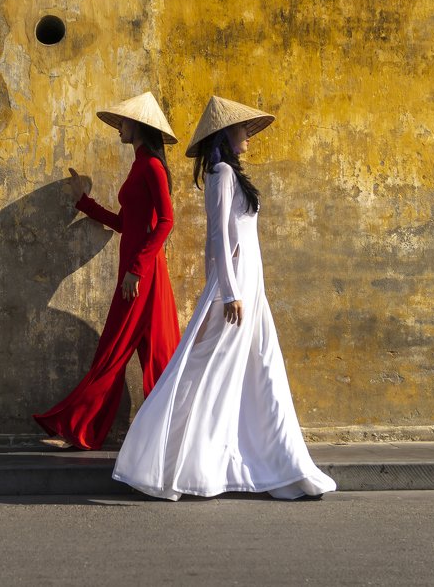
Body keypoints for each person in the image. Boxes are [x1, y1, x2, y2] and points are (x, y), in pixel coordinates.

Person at [112, 96, 337, 499]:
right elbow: (217, 238)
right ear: (225, 134)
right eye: (241, 128)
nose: (247, 135)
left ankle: (284, 467)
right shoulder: (220, 173)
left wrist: (245, 289)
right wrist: (228, 292)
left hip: (251, 288)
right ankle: (168, 462)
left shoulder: (234, 174)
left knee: (262, 370)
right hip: (234, 292)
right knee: (204, 371)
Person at [34, 92, 181, 450]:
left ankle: (78, 428)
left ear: (141, 127)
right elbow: (126, 223)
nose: (120, 128)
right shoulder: (139, 165)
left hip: (140, 277)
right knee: (158, 353)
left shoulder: (152, 167)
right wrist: (84, 202)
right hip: (136, 273)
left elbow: (166, 222)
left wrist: (135, 270)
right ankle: (177, 430)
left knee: (114, 351)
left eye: (125, 122)